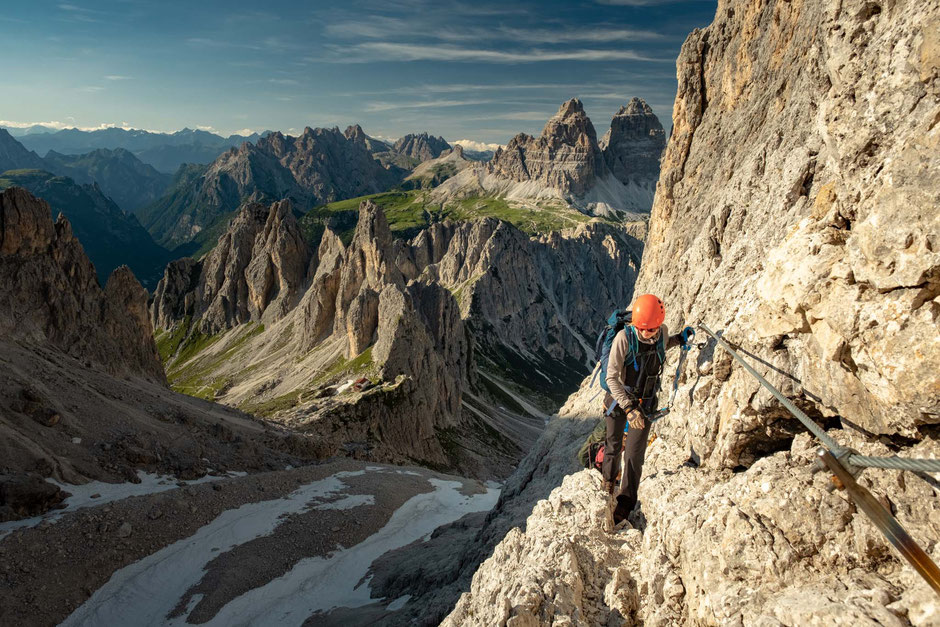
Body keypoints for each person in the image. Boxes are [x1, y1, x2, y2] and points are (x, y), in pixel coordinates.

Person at [602, 293, 691, 525]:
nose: (645, 333)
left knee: (634, 455)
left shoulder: (660, 332)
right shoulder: (624, 338)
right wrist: (629, 409)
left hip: (645, 403)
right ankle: (608, 483)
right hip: (619, 399)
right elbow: (611, 378)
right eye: (641, 329)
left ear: (658, 325)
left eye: (650, 330)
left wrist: (678, 339)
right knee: (612, 444)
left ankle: (625, 504)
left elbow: (661, 345)